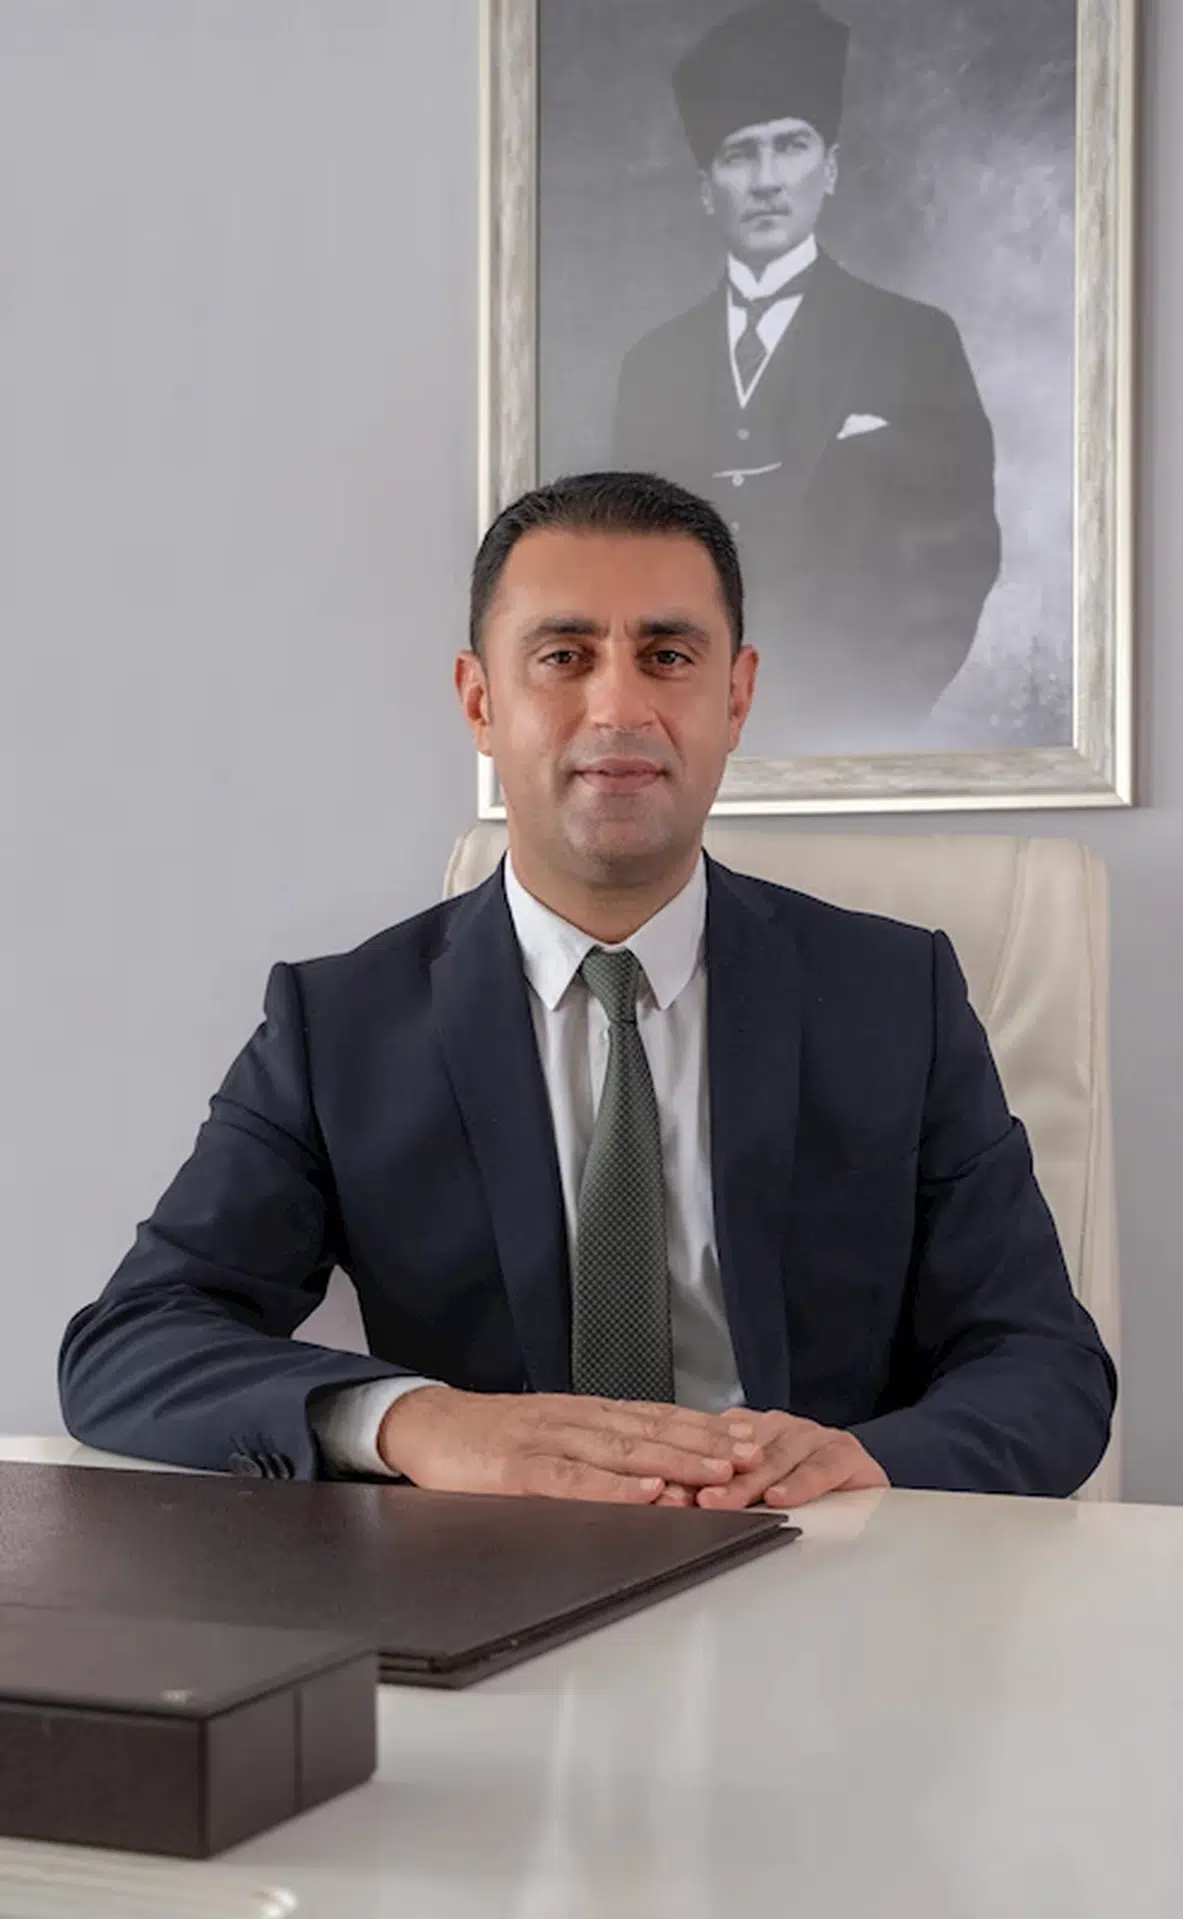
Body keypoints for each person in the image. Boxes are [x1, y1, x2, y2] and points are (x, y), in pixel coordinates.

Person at [59, 471, 1114, 1506]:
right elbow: (133, 1343)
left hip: (817, 1554)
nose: (618, 706)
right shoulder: (338, 1028)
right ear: (480, 701)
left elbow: (1044, 1363)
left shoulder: (894, 998)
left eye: (668, 656)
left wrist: (865, 1464)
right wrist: (420, 1422)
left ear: (735, 696)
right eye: (563, 657)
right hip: (489, 1573)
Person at [612, 0, 1002, 753]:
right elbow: (625, 571)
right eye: (739, 155)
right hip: (690, 743)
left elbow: (958, 559)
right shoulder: (652, 367)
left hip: (853, 725)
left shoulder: (913, 339)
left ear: (830, 170)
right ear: (706, 190)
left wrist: (865, 717)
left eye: (790, 146)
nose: (766, 180)